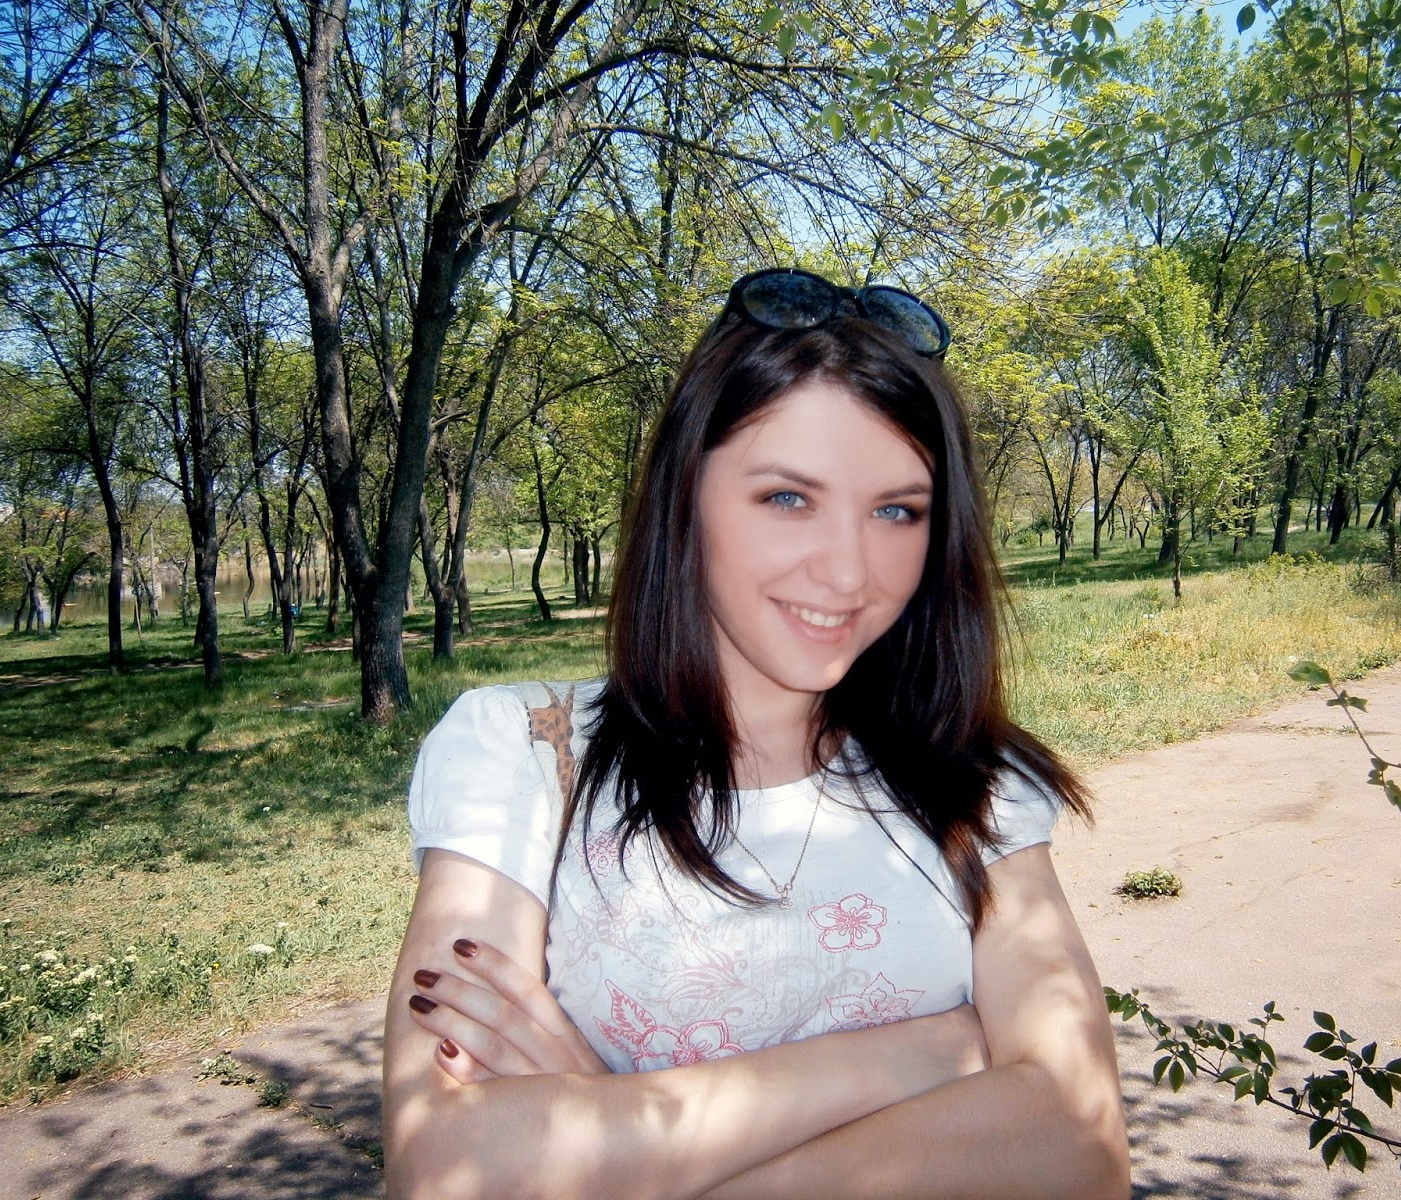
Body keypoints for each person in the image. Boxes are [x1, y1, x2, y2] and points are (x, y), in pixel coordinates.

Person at [381, 268, 1130, 1200]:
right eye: (787, 498)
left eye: (897, 510)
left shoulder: (973, 782)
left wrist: (614, 1125)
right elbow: (446, 1169)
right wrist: (922, 1056)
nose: (849, 571)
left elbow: (1082, 1152)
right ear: (686, 494)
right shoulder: (527, 753)